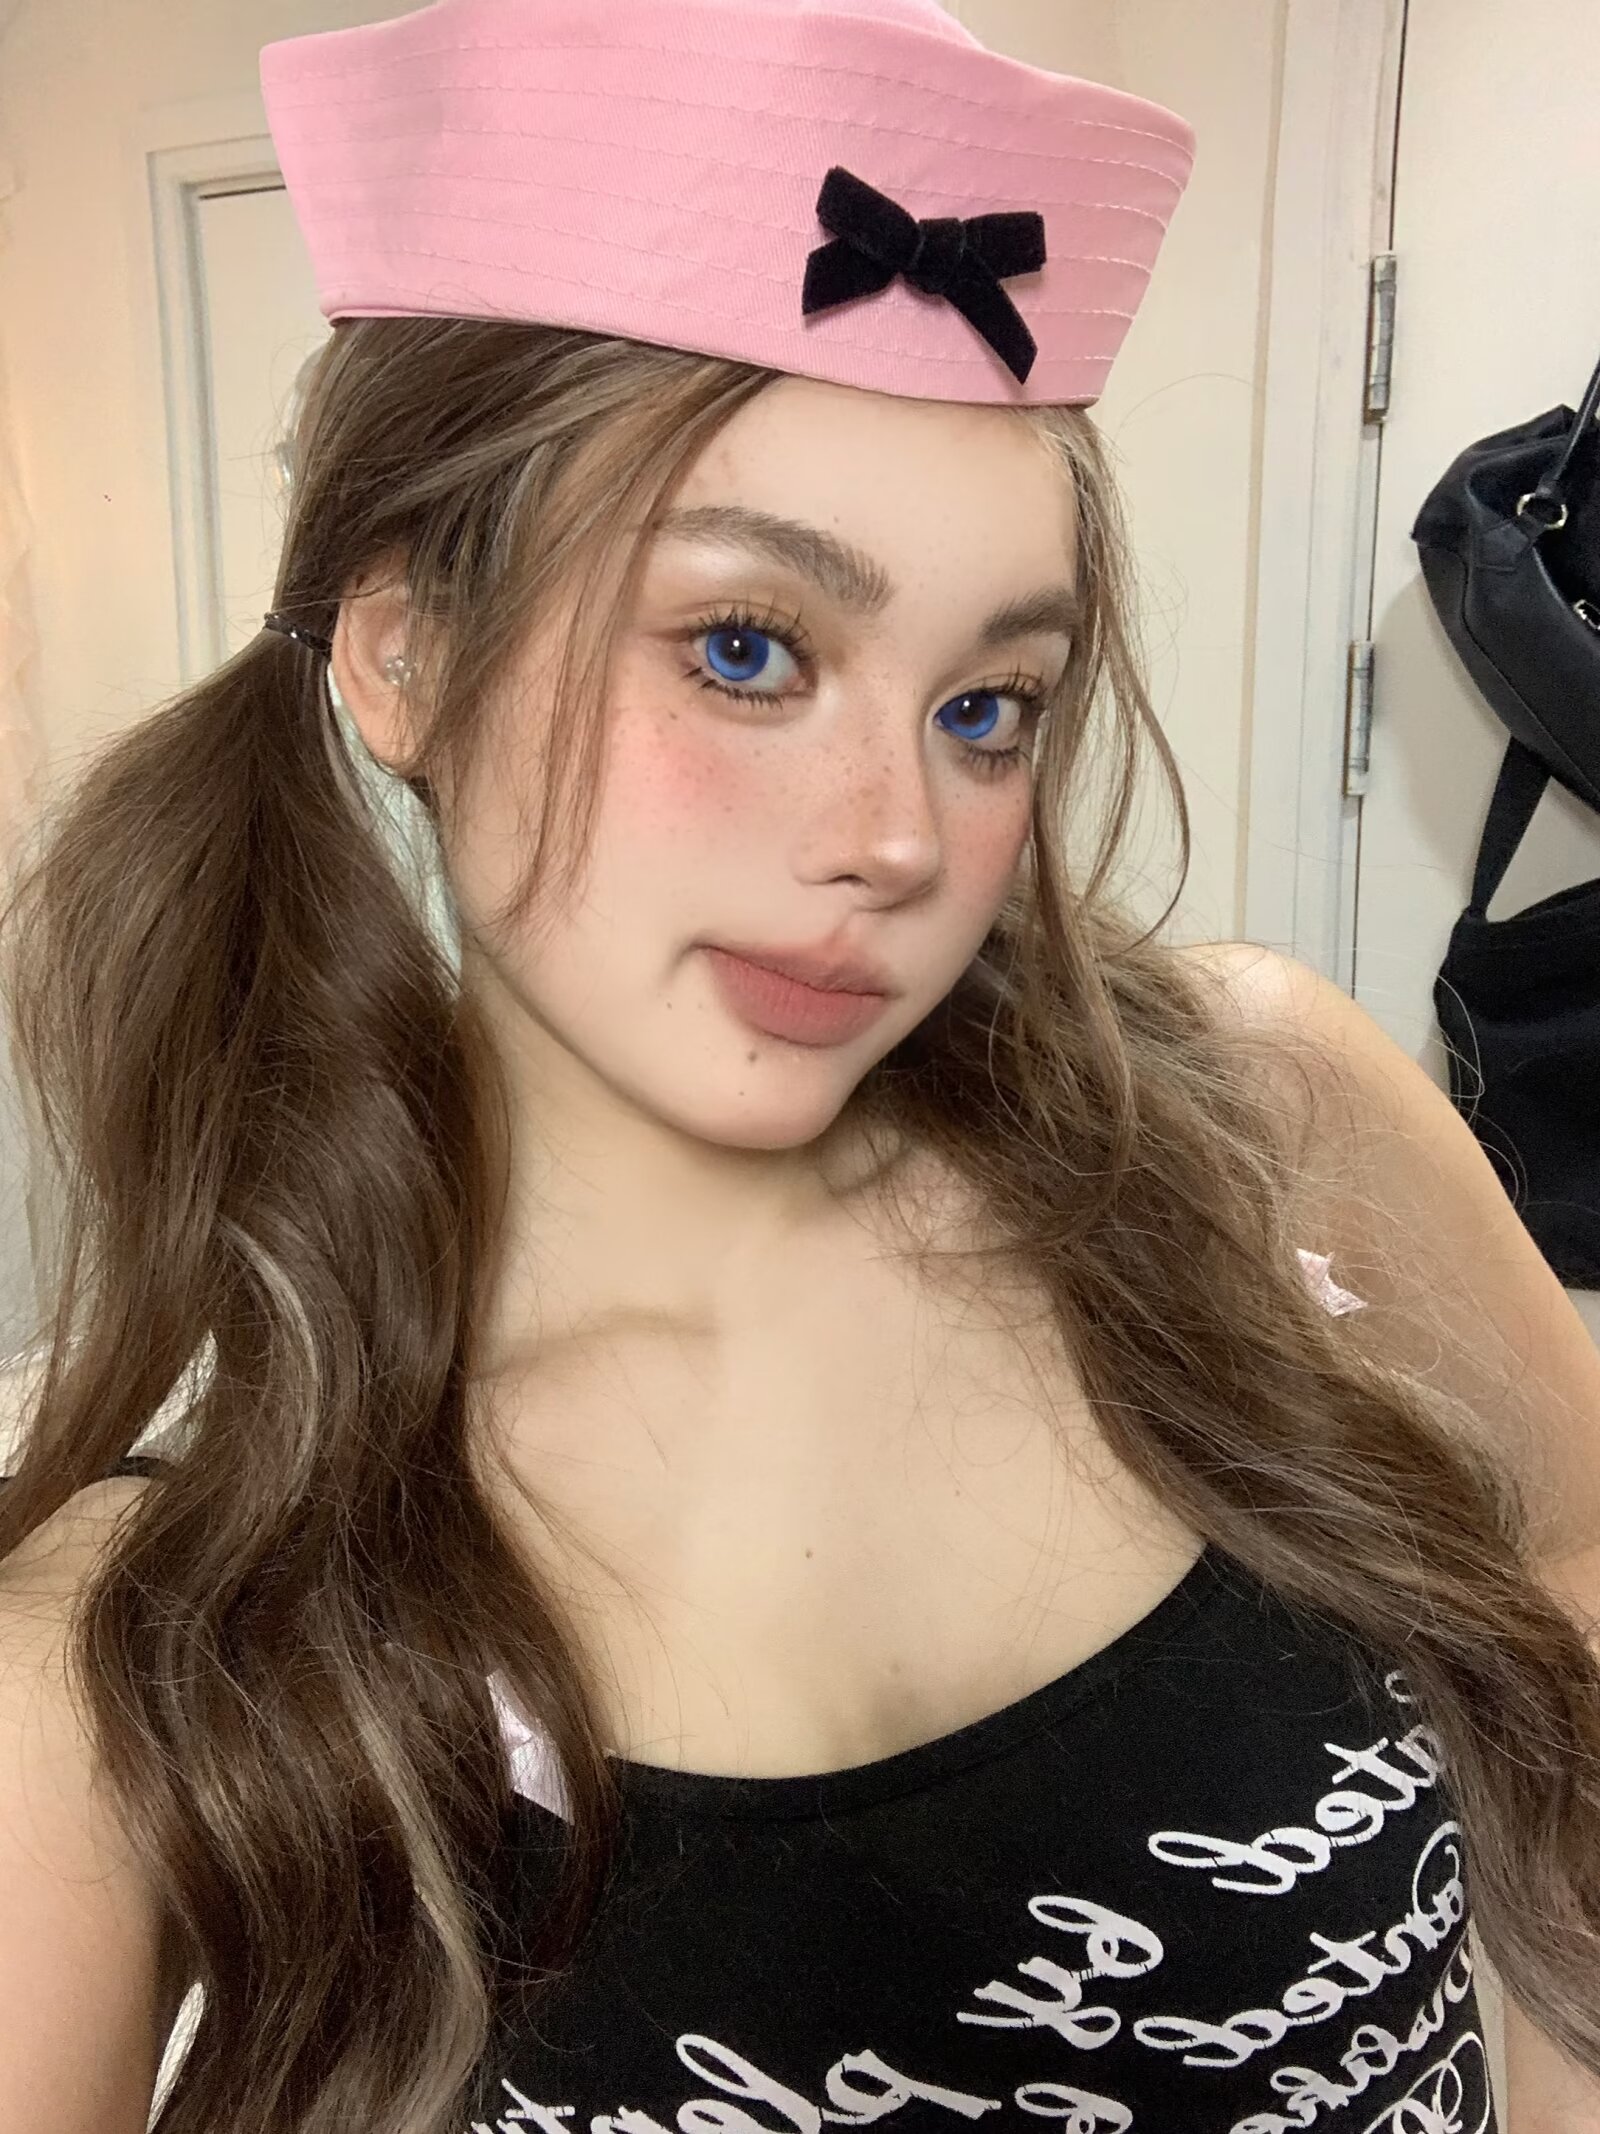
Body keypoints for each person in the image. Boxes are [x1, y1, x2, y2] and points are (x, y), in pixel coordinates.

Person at [3, 1, 1600, 2129]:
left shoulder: (1259, 1119)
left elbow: (1572, 1566)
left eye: (984, 707)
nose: (897, 839)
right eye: (746, 649)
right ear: (403, 650)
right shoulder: (149, 1633)